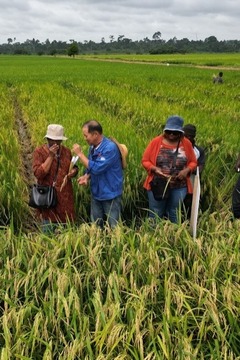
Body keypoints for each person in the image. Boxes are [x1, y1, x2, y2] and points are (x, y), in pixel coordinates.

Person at [72, 120, 128, 229]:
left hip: (110, 194)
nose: (85, 138)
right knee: (96, 225)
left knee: (113, 226)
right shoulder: (92, 147)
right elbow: (92, 166)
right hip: (97, 192)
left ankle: (116, 244)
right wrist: (86, 176)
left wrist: (79, 154)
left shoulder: (110, 148)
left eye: (86, 135)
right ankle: (98, 243)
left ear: (95, 134)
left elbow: (97, 168)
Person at [142, 115, 197, 224]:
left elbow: (193, 162)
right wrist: (154, 168)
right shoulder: (156, 142)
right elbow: (145, 160)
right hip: (158, 185)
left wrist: (186, 171)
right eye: (168, 131)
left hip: (179, 186)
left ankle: (173, 235)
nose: (171, 135)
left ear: (181, 132)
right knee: (156, 212)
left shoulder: (186, 143)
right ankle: (153, 236)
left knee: (174, 212)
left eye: (175, 132)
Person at [32, 124, 78, 233]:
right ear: (48, 139)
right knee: (48, 232)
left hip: (65, 198)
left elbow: (74, 167)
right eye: (52, 140)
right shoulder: (39, 152)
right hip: (48, 199)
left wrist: (73, 172)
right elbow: (38, 173)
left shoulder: (66, 152)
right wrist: (51, 156)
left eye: (58, 140)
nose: (55, 143)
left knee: (67, 232)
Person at [182, 124, 206, 218]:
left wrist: (189, 170)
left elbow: (201, 166)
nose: (187, 138)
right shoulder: (177, 147)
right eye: (185, 136)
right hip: (177, 179)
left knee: (190, 200)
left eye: (190, 136)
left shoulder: (198, 150)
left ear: (193, 137)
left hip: (192, 178)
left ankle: (189, 219)